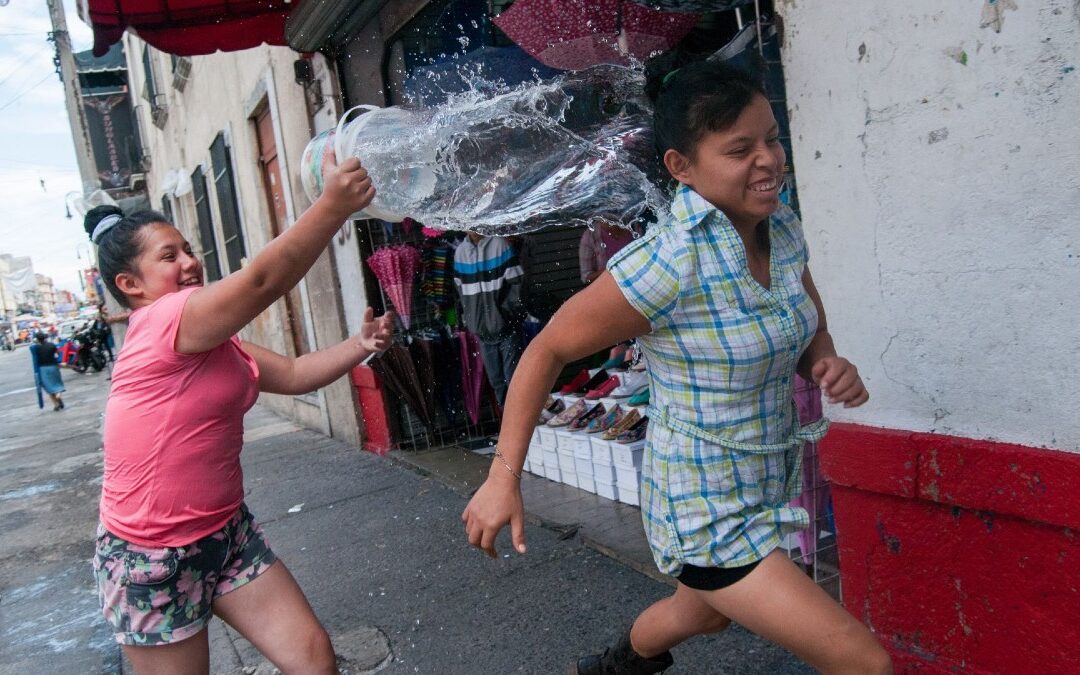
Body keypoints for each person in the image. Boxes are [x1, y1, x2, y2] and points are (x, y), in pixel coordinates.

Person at [461, 61, 892, 675]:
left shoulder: (783, 228)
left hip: (766, 484)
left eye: (772, 138)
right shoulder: (668, 263)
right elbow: (546, 349)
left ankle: (612, 668)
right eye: (740, 150)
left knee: (703, 614)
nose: (769, 160)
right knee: (864, 663)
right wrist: (503, 477)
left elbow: (807, 328)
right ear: (680, 166)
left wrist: (825, 362)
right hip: (704, 505)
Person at [86, 155, 393, 674]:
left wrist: (359, 345)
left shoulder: (215, 341)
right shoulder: (159, 322)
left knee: (314, 658)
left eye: (189, 249)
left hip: (226, 534)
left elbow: (294, 373)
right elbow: (260, 283)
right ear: (131, 285)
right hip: (151, 558)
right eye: (169, 256)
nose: (190, 262)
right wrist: (332, 207)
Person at [452, 232, 526, 406]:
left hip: (507, 326)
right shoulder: (460, 252)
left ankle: (523, 418)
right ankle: (507, 420)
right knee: (496, 381)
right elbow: (460, 292)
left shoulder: (500, 244)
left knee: (514, 379)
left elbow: (517, 283)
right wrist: (470, 319)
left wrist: (507, 314)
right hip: (482, 330)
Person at [578, 218, 637, 285]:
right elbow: (586, 277)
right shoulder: (590, 235)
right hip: (611, 286)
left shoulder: (635, 225)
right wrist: (613, 270)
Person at [29, 332, 65, 410]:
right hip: (54, 366)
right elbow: (58, 353)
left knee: (48, 387)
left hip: (43, 369)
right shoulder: (51, 345)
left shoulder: (36, 348)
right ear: (45, 338)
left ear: (37, 339)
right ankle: (58, 395)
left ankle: (56, 404)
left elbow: (34, 357)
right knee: (57, 383)